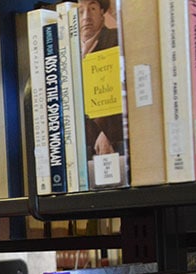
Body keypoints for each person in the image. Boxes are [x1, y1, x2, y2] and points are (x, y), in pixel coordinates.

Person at [78, 0, 124, 174]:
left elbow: (122, 91)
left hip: (110, 141)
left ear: (102, 11)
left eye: (92, 8)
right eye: (80, 11)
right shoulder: (69, 48)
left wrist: (108, 134)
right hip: (82, 144)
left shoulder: (115, 39)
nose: (85, 17)